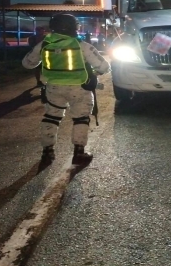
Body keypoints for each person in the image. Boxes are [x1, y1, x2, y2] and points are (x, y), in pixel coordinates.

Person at [22, 14, 111, 164]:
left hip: (53, 88)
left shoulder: (44, 44)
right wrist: (95, 73)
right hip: (80, 88)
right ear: (74, 27)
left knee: (51, 117)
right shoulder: (82, 45)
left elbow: (27, 63)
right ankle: (79, 153)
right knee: (81, 118)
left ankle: (47, 152)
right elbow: (104, 66)